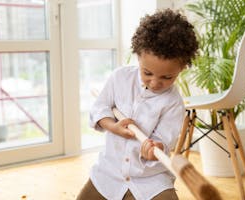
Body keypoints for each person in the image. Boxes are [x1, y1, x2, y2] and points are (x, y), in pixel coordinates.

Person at [77, 8, 198, 200]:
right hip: (109, 172)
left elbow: (164, 140)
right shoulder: (119, 78)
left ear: (182, 68)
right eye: (147, 73)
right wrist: (112, 126)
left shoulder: (173, 103)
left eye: (167, 77)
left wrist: (154, 149)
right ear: (138, 56)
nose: (155, 83)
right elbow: (99, 109)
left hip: (150, 178)